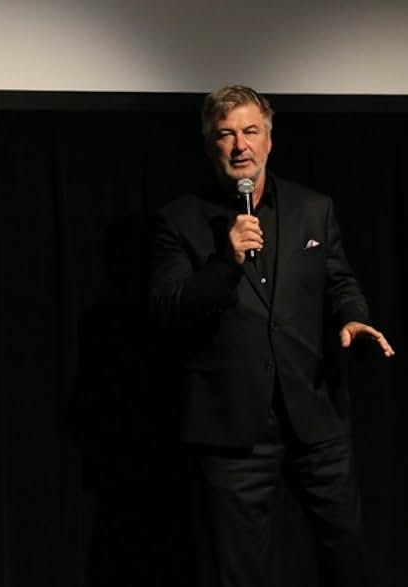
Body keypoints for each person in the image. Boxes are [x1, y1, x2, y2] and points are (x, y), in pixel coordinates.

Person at [148, 85, 395, 587]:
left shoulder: (313, 209)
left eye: (250, 131)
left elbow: (339, 281)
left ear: (269, 140)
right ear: (210, 143)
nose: (240, 145)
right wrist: (225, 262)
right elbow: (167, 306)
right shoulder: (179, 220)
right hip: (232, 428)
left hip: (315, 416)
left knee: (348, 558)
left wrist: (352, 316)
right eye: (226, 134)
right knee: (240, 572)